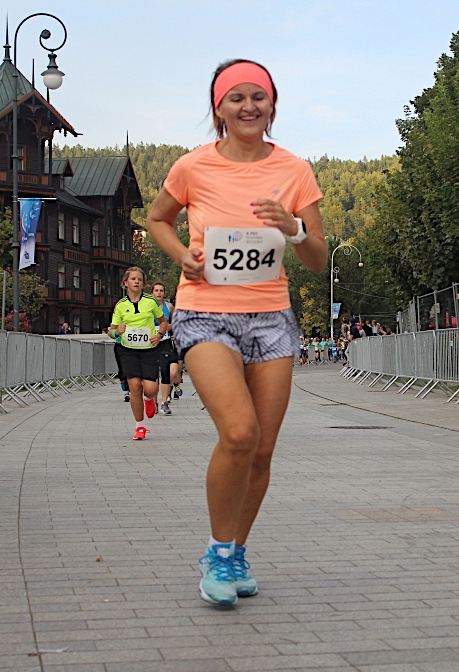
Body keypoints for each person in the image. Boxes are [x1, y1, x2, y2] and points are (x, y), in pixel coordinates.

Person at [146, 59, 326, 606]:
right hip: (205, 312)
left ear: (272, 104)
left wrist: (295, 228)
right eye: (236, 98)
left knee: (263, 450)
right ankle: (218, 555)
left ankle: (236, 552)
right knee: (240, 433)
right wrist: (183, 255)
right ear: (218, 108)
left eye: (258, 97)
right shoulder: (192, 167)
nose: (249, 107)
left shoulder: (295, 170)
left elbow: (318, 259)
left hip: (271, 319)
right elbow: (157, 219)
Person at [109, 267, 166, 440]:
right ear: (126, 282)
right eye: (133, 279)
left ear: (143, 283)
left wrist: (159, 335)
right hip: (128, 350)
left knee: (150, 389)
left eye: (139, 279)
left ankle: (149, 399)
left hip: (149, 350)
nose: (136, 282)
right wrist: (117, 332)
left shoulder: (151, 301)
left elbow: (163, 322)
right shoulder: (120, 305)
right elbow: (111, 332)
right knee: (134, 387)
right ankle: (139, 426)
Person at [151, 282, 182, 415]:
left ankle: (165, 402)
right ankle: (156, 403)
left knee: (171, 372)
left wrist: (172, 328)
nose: (159, 293)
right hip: (152, 343)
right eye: (156, 290)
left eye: (161, 291)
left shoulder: (169, 307)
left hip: (166, 342)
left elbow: (178, 321)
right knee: (153, 375)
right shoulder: (147, 306)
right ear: (152, 292)